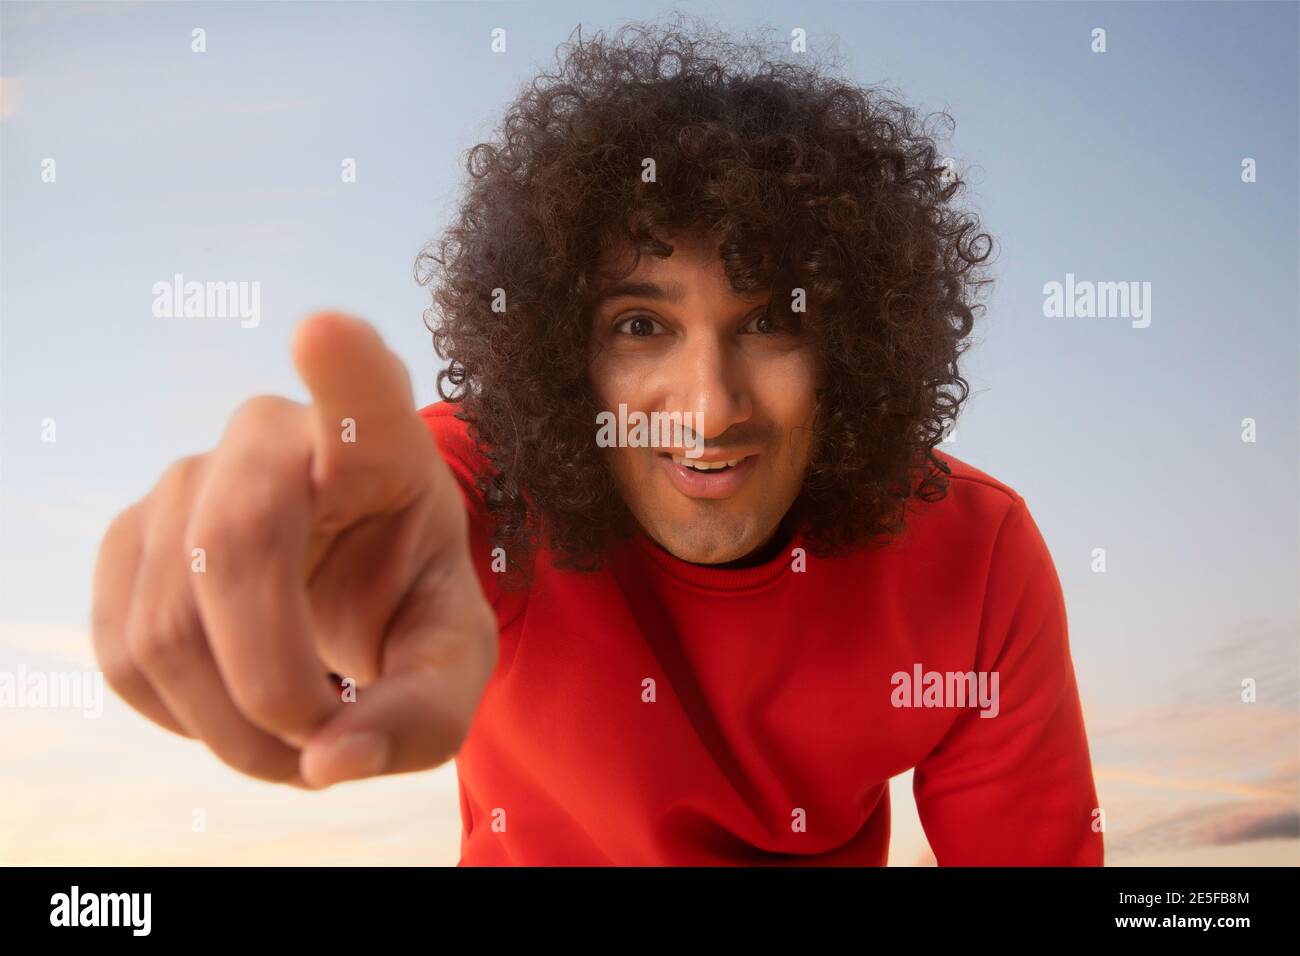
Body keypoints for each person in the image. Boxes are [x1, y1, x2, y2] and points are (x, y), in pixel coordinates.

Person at [90, 19, 1103, 865]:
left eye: (770, 321)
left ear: (857, 346)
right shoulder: (478, 485)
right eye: (638, 325)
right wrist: (299, 574)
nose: (706, 408)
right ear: (560, 352)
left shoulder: (976, 555)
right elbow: (382, 544)